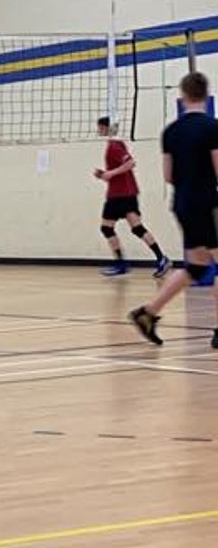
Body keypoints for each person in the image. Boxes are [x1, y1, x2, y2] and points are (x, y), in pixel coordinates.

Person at [129, 72, 218, 349]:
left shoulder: (171, 132)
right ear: (206, 94)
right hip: (208, 204)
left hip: (183, 204)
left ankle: (148, 313)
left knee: (196, 266)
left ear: (182, 96)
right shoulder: (213, 127)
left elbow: (168, 175)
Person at [93, 116, 170, 277]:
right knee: (137, 228)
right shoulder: (117, 144)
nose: (98, 130)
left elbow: (130, 163)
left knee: (106, 228)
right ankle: (161, 258)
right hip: (128, 192)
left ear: (106, 128)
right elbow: (122, 167)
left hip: (118, 195)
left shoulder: (114, 146)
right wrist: (105, 175)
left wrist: (109, 173)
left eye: (99, 127)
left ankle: (121, 264)